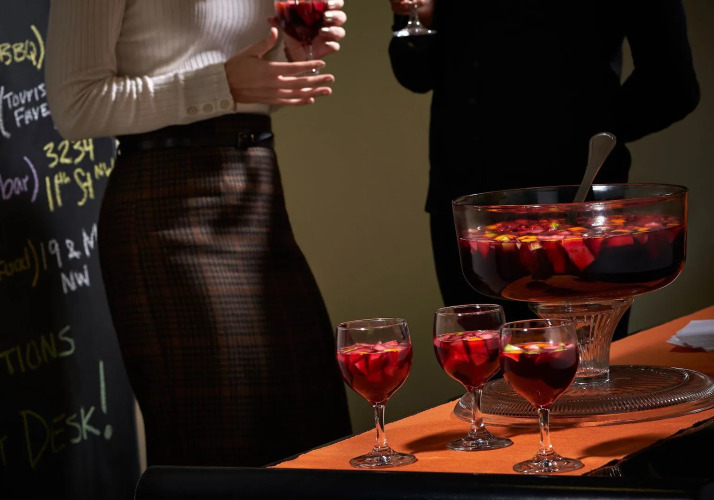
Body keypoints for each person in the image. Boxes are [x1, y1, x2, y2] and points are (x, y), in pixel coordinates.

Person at [45, 0, 351, 467]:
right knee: (222, 447)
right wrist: (220, 84)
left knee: (313, 431)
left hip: (257, 193)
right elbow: (75, 107)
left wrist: (290, 53)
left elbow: (239, 93)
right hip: (168, 205)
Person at [387, 0, 700, 339]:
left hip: (575, 202)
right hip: (465, 203)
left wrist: (591, 135)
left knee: (584, 364)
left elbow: (673, 84)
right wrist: (418, 20)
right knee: (485, 365)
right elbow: (417, 73)